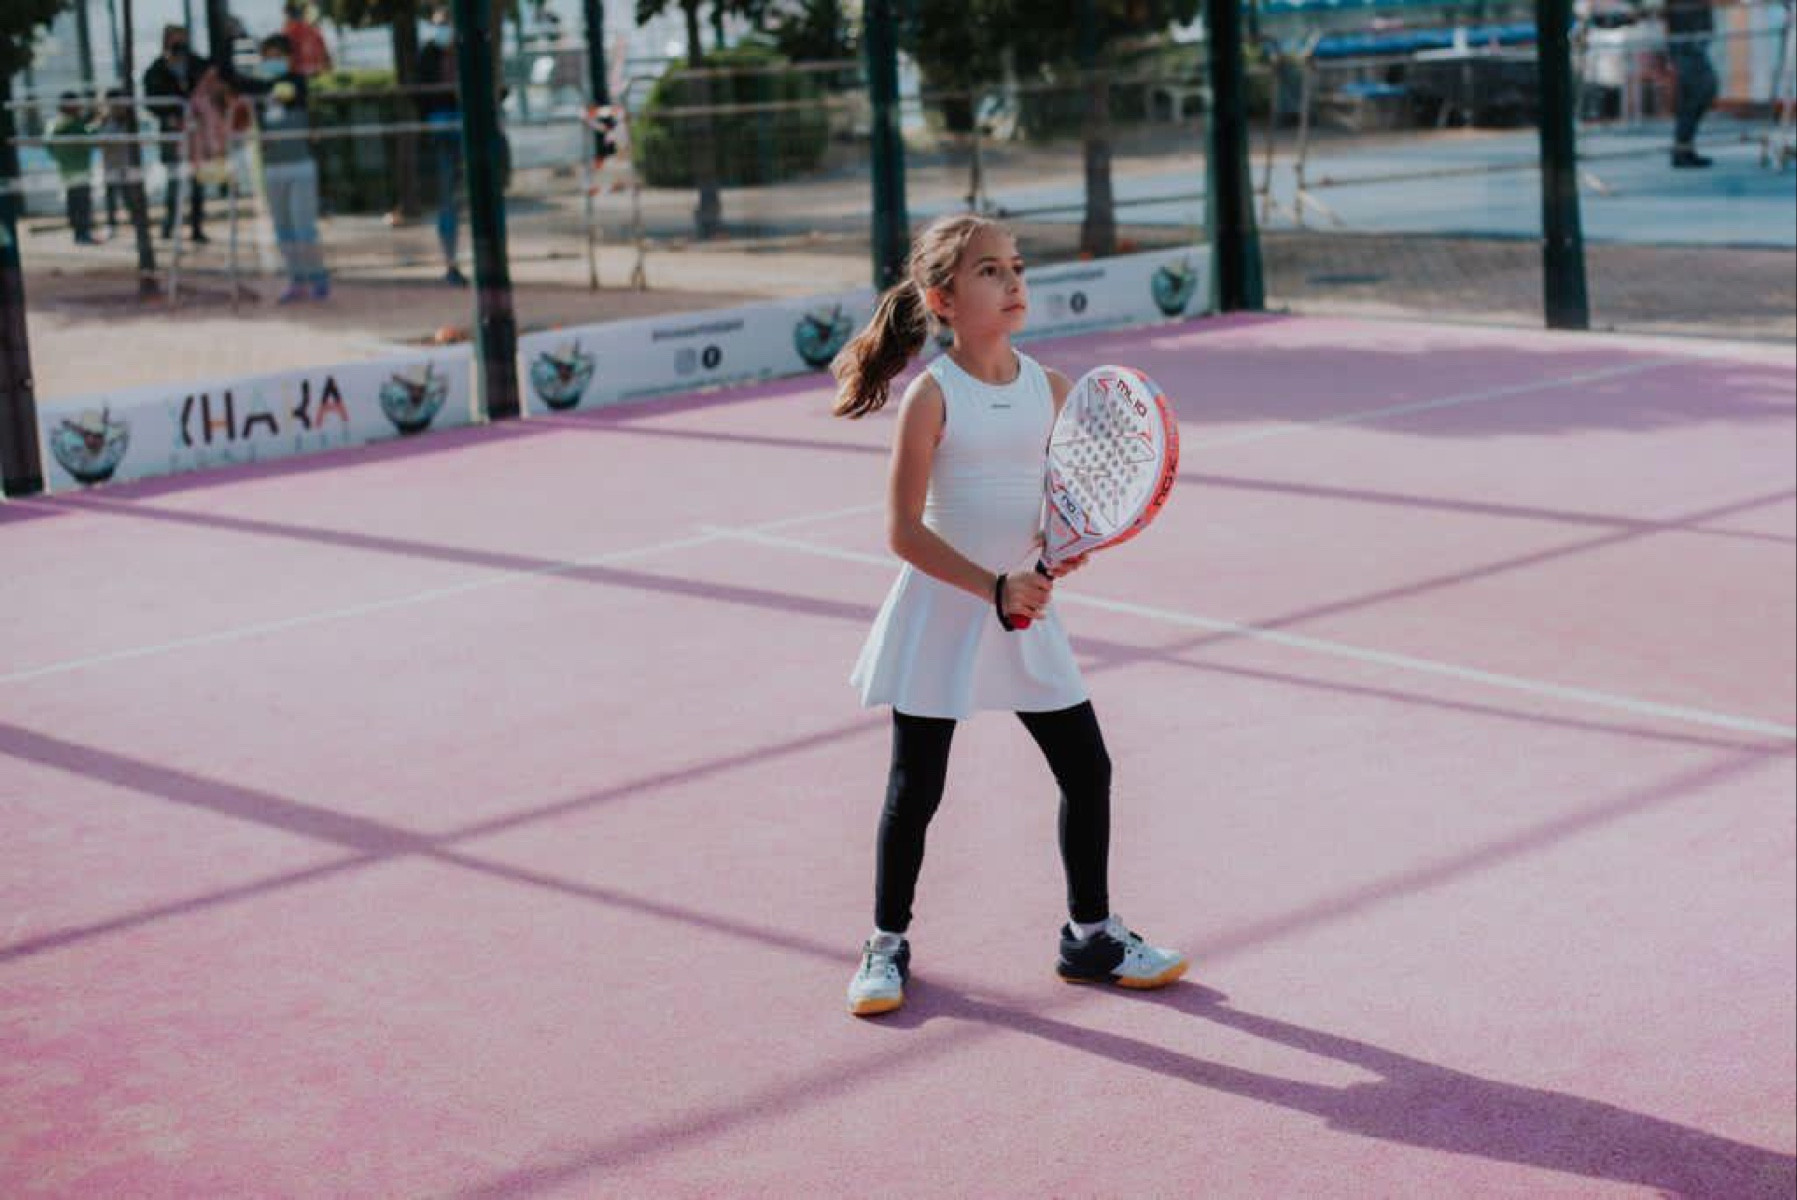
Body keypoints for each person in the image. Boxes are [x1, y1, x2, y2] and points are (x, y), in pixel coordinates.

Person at [831, 214, 1188, 1018]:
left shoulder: (1051, 390)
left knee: (1086, 769)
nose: (1013, 281)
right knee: (915, 788)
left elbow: (1062, 508)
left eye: (1016, 266)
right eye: (989, 271)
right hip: (943, 611)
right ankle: (885, 944)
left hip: (1022, 608)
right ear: (942, 300)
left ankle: (1089, 936)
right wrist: (991, 587)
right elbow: (902, 533)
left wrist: (1059, 553)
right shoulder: (932, 396)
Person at [237, 34, 330, 302]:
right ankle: (296, 279)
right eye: (268, 56)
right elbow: (238, 82)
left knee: (304, 228)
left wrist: (267, 90)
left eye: (278, 56)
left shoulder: (297, 82)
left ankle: (317, 275)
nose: (272, 61)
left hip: (300, 166)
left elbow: (290, 90)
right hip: (272, 168)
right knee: (283, 228)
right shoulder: (258, 89)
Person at [143, 24, 212, 241]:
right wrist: (170, 114)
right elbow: (151, 101)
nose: (180, 43)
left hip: (196, 133)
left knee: (197, 181)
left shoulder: (198, 65)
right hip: (172, 133)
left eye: (183, 38)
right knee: (174, 180)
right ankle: (170, 225)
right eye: (175, 39)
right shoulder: (157, 69)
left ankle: (197, 228)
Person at [417, 6, 468, 286]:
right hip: (441, 129)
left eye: (446, 23)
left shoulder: (465, 50)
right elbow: (422, 95)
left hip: (465, 128)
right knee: (448, 199)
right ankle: (451, 261)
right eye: (438, 24)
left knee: (462, 197)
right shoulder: (427, 54)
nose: (442, 29)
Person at [1664, 0, 1718, 167]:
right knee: (1697, 93)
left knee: (1700, 93)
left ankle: (1684, 148)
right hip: (1686, 42)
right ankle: (1682, 149)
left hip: (1692, 41)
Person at [47, 92, 99, 245]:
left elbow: (49, 147)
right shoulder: (74, 124)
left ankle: (80, 234)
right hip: (78, 170)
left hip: (67, 170)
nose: (79, 108)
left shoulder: (55, 124)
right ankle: (82, 235)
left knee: (75, 204)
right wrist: (96, 121)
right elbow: (90, 136)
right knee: (81, 205)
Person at [281, 2, 335, 78]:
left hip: (305, 76)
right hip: (313, 76)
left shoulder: (289, 31)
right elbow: (327, 60)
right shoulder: (314, 32)